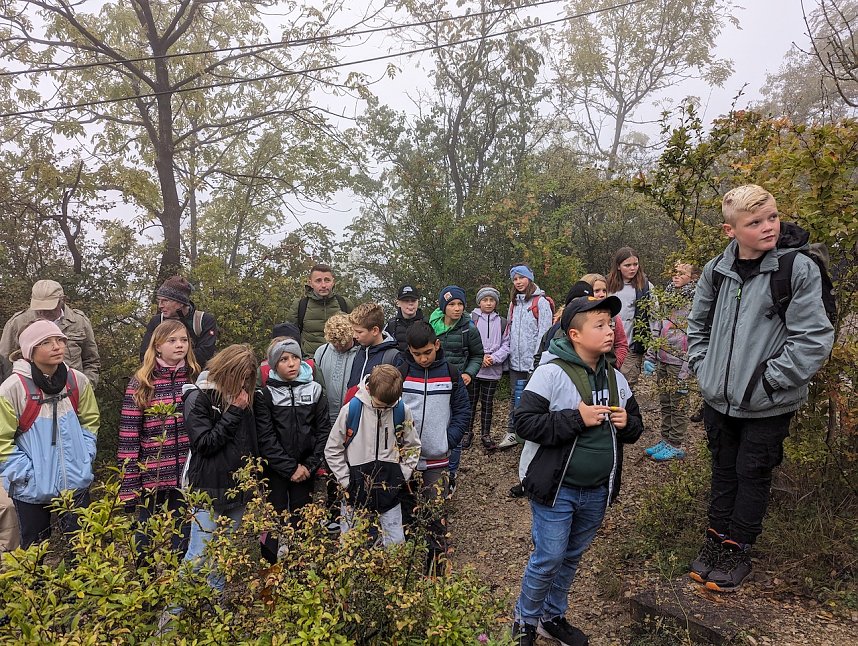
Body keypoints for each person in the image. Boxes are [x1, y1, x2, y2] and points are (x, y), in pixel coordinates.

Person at [686, 185, 834, 593]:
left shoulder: (795, 269)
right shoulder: (716, 270)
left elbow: (814, 338)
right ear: (730, 230)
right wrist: (704, 369)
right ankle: (715, 540)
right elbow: (697, 327)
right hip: (719, 398)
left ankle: (737, 549)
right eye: (755, 222)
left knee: (752, 473)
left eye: (772, 217)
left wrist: (770, 381)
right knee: (723, 470)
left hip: (768, 403)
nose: (769, 227)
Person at [512, 295, 644, 646]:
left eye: (610, 324)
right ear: (574, 334)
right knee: (548, 557)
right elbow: (524, 422)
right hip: (557, 488)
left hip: (598, 489)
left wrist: (628, 422)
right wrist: (576, 418)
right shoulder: (551, 372)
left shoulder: (616, 378)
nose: (609, 330)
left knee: (570, 557)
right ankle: (525, 620)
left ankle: (551, 617)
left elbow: (635, 429)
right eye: (599, 325)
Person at [0, 320, 100, 549]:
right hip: (30, 488)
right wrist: (25, 474)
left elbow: (90, 421)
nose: (57, 346)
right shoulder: (13, 389)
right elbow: (1, 441)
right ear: (29, 351)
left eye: (59, 340)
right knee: (34, 556)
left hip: (76, 482)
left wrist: (85, 456)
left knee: (83, 550)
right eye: (46, 342)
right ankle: (34, 587)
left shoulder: (76, 381)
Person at [118, 320, 200, 559]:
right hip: (151, 475)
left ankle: (177, 585)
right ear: (157, 346)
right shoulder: (143, 382)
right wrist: (129, 485)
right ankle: (147, 586)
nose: (179, 345)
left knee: (183, 534)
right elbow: (129, 435)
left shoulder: (195, 377)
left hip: (186, 474)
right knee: (145, 535)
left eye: (184, 340)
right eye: (172, 340)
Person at [181, 344, 258, 593]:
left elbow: (250, 442)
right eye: (239, 377)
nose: (243, 383)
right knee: (198, 556)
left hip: (237, 489)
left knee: (223, 556)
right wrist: (234, 411)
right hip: (206, 486)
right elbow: (204, 443)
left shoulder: (246, 396)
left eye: (247, 378)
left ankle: (216, 614)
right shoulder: (198, 397)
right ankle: (171, 619)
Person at [397, 321, 470, 573]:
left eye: (427, 352)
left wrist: (447, 440)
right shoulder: (402, 371)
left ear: (437, 345)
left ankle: (436, 569)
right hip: (405, 460)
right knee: (405, 513)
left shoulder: (451, 373)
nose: (423, 358)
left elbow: (462, 411)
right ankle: (406, 568)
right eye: (417, 354)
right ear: (409, 350)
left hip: (438, 460)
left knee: (435, 514)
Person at [325, 364, 421, 547]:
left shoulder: (401, 410)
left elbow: (412, 446)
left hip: (390, 488)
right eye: (380, 405)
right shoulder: (351, 410)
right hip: (355, 488)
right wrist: (346, 481)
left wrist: (401, 476)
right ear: (368, 389)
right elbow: (332, 449)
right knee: (351, 544)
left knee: (395, 544)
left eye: (389, 406)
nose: (385, 408)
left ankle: (390, 574)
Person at [254, 338, 330, 563]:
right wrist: (289, 468)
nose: (291, 363)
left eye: (295, 357)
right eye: (284, 359)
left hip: (305, 471)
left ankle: (300, 574)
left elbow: (323, 431)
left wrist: (308, 466)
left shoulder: (315, 390)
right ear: (274, 364)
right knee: (272, 522)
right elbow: (266, 438)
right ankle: (269, 574)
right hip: (276, 472)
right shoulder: (265, 395)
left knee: (302, 522)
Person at [642, 263, 700, 462]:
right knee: (665, 402)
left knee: (678, 405)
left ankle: (676, 443)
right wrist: (651, 355)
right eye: (674, 272)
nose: (676, 277)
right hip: (663, 359)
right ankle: (666, 439)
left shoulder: (696, 301)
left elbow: (695, 337)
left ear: (692, 277)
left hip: (679, 362)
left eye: (682, 274)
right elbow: (658, 325)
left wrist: (686, 370)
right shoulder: (668, 297)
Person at [428, 286, 483, 493]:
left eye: (460, 304)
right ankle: (432, 470)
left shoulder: (470, 329)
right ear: (443, 307)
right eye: (452, 304)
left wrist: (469, 373)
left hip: (459, 386)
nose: (457, 308)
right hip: (435, 385)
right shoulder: (431, 326)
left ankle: (451, 474)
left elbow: (478, 354)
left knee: (456, 430)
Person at [0, 279, 100, 385]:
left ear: (62, 300)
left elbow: (91, 361)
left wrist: (85, 387)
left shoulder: (79, 322)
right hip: (30, 395)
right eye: (39, 306)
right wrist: (14, 393)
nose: (43, 311)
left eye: (49, 307)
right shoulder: (18, 323)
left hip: (73, 393)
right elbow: (4, 364)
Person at [498, 265, 553, 451]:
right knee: (515, 396)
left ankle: (533, 433)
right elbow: (509, 332)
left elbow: (544, 334)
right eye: (515, 279)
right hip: (515, 361)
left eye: (522, 278)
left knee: (534, 397)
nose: (519, 282)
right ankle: (512, 431)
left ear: (530, 278)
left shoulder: (540, 302)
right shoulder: (514, 304)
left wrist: (538, 361)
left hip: (533, 361)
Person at [314, 313, 360, 532]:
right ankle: (333, 512)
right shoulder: (322, 352)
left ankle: (352, 510)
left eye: (344, 343)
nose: (340, 347)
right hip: (327, 417)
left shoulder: (360, 352)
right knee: (332, 465)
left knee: (352, 464)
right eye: (335, 344)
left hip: (351, 417)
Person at [139, 276, 218, 368]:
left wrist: (174, 361)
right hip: (160, 376)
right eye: (159, 301)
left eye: (165, 301)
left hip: (195, 376)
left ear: (181, 303)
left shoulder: (203, 320)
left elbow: (206, 354)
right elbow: (145, 354)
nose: (160, 306)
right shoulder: (157, 322)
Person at [606, 248, 654, 389]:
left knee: (626, 386)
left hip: (632, 347)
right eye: (628, 265)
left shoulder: (646, 287)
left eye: (635, 264)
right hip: (607, 346)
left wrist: (652, 348)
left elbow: (654, 318)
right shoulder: (607, 286)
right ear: (619, 266)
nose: (632, 268)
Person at [469, 286, 510, 451]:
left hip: (493, 369)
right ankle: (467, 432)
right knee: (471, 402)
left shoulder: (502, 322)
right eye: (485, 300)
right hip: (474, 369)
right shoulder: (471, 318)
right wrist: (480, 358)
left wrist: (494, 358)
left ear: (496, 302)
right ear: (479, 302)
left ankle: (486, 434)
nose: (488, 303)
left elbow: (507, 344)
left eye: (491, 300)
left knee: (488, 403)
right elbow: (468, 341)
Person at [284, 263, 353, 356]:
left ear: (333, 282)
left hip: (341, 359)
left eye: (327, 280)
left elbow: (357, 333)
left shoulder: (344, 303)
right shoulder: (300, 305)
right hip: (310, 362)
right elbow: (288, 338)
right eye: (318, 281)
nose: (323, 285)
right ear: (310, 283)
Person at [346, 302, 401, 395]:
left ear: (375, 330)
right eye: (353, 331)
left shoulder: (393, 356)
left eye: (359, 332)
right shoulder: (359, 351)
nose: (355, 336)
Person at [384, 284, 424, 353]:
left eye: (413, 300)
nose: (410, 303)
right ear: (398, 303)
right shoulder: (391, 325)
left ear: (418, 302)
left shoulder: (427, 323)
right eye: (406, 301)